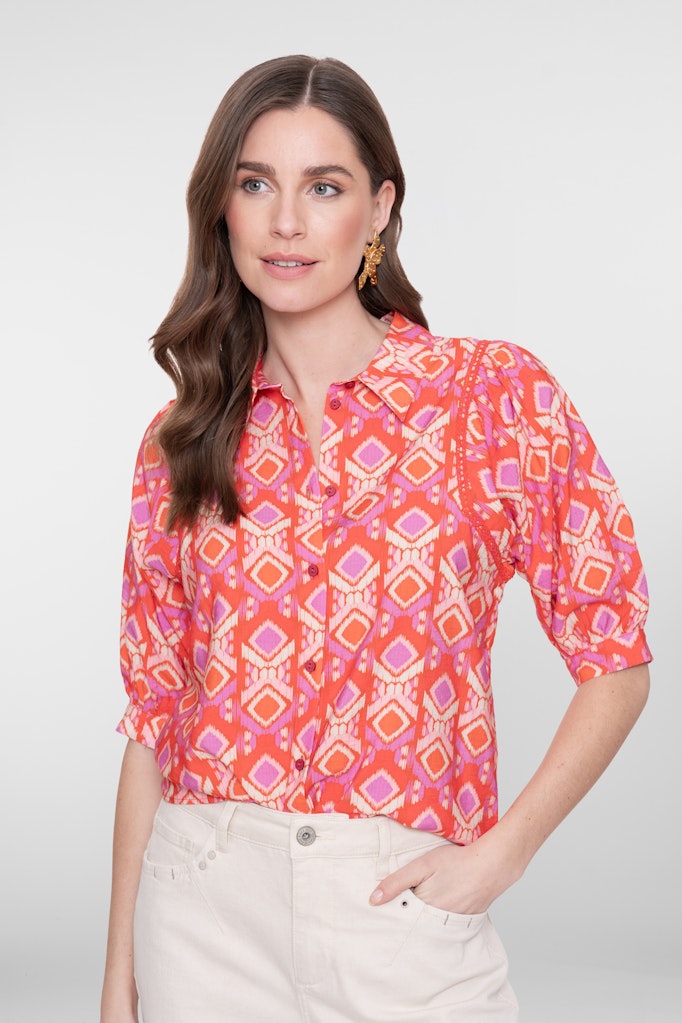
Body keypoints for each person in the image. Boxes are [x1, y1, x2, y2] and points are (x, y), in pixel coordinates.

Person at [100, 54, 651, 1023]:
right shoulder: (180, 442)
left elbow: (617, 658)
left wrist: (505, 852)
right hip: (203, 910)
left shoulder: (490, 400)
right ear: (222, 209)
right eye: (255, 184)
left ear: (380, 208)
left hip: (402, 913)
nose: (285, 222)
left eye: (324, 187)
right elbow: (153, 723)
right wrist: (120, 984)